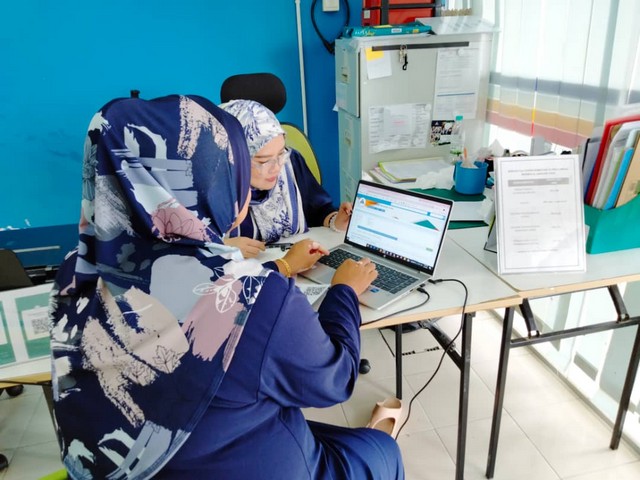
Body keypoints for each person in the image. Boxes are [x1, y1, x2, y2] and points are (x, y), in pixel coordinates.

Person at [49, 94, 404, 479]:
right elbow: (334, 381)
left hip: (129, 462)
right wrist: (344, 292)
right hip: (231, 463)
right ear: (209, 183)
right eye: (235, 170)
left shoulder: (73, 273)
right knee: (381, 450)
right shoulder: (250, 295)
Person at [219, 99, 352, 259]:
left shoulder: (290, 161)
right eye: (263, 161)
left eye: (281, 153)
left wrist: (336, 220)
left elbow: (317, 210)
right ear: (233, 158)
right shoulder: (209, 185)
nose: (277, 167)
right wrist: (221, 246)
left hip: (297, 263)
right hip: (242, 271)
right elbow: (193, 246)